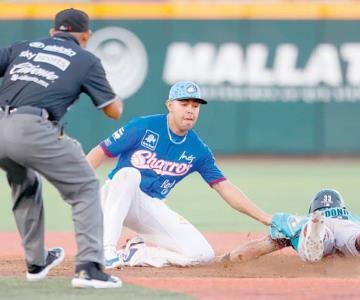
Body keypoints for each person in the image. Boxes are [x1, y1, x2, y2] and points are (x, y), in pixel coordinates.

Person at [86, 80, 272, 268]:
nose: (190, 110)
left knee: (202, 255)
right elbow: (100, 151)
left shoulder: (198, 150)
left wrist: (265, 218)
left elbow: (225, 187)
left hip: (149, 206)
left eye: (195, 106)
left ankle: (137, 254)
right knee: (129, 174)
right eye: (184, 104)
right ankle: (106, 249)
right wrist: (76, 184)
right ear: (170, 105)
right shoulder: (142, 127)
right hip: (112, 200)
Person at [0, 8, 123, 288]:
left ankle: (36, 261)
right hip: (31, 125)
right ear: (86, 36)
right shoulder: (86, 59)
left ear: (54, 32)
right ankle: (89, 268)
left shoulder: (24, 47)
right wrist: (115, 96)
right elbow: (113, 111)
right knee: (85, 188)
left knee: (24, 182)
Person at [220, 188, 360, 263]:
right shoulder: (353, 217)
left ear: (313, 208)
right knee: (354, 240)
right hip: (347, 225)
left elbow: (258, 247)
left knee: (311, 242)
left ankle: (316, 234)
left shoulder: (302, 219)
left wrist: (226, 260)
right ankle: (353, 240)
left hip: (310, 224)